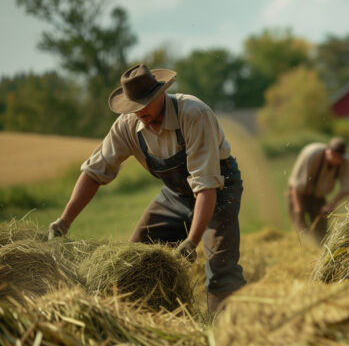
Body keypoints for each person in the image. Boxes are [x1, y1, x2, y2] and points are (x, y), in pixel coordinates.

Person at [48, 64, 245, 314]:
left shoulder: (194, 114)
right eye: (134, 108)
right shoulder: (126, 126)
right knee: (134, 258)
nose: (140, 112)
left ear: (160, 94)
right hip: (175, 194)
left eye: (145, 104)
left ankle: (224, 333)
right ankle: (154, 322)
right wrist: (64, 221)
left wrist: (191, 241)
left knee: (220, 268)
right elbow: (93, 173)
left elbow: (206, 186)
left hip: (217, 190)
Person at [287, 137, 349, 242]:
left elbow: (347, 187)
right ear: (327, 150)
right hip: (298, 194)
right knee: (301, 229)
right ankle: (303, 248)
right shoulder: (312, 154)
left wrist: (332, 203)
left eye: (339, 158)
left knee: (322, 231)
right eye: (333, 156)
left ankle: (318, 250)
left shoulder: (344, 161)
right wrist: (298, 211)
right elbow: (296, 186)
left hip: (318, 197)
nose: (336, 160)